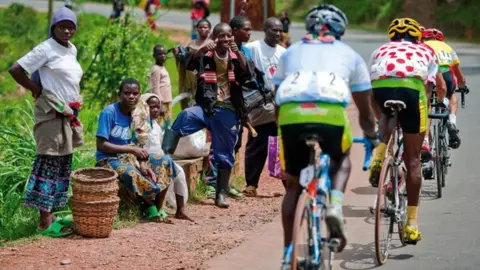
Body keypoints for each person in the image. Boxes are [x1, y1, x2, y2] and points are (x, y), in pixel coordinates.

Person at [273, 4, 378, 260]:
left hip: (290, 115)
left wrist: (285, 130)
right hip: (330, 113)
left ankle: (289, 255)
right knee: (341, 158)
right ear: (340, 30)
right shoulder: (350, 55)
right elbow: (365, 111)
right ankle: (335, 207)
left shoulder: (290, 52)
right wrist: (372, 136)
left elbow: (276, 99)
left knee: (294, 186)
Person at [368, 18, 444, 244]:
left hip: (382, 89)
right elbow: (429, 87)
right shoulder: (426, 50)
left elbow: (371, 82)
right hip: (412, 91)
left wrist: (380, 118)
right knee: (413, 160)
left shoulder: (380, 50)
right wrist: (423, 120)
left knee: (384, 116)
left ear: (392, 36)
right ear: (417, 36)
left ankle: (379, 155)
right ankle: (411, 224)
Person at [8, 7, 83, 237]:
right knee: (48, 162)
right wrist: (37, 90)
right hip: (51, 114)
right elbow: (16, 69)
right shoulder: (46, 48)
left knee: (62, 164)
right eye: (62, 26)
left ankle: (50, 218)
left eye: (71, 26)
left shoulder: (71, 49)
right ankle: (43, 223)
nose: (67, 30)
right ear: (54, 27)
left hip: (67, 113)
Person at [162, 23, 248, 209]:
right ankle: (163, 159)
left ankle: (220, 193)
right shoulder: (207, 55)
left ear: (232, 37)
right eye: (220, 36)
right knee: (184, 117)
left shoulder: (236, 56)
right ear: (214, 38)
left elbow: (247, 74)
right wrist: (200, 50)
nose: (225, 40)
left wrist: (239, 53)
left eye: (228, 36)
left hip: (227, 109)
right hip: (206, 106)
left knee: (224, 153)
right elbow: (190, 66)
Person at [96, 78, 178, 223]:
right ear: (120, 94)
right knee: (130, 173)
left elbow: (140, 143)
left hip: (132, 157)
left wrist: (143, 163)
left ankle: (158, 209)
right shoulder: (109, 113)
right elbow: (101, 145)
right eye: (127, 93)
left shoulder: (139, 114)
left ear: (140, 95)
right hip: (109, 159)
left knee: (165, 160)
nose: (131, 97)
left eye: (135, 93)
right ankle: (149, 207)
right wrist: (130, 149)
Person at [204, 15, 255, 199]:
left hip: (237, 104)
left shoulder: (245, 52)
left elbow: (249, 74)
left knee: (234, 144)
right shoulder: (214, 51)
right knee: (217, 144)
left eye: (250, 29)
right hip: (217, 104)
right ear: (233, 31)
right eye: (245, 29)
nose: (249, 33)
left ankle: (226, 184)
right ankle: (212, 183)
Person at [242, 17, 286, 197]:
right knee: (257, 144)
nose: (278, 33)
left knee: (283, 145)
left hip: (281, 104)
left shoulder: (284, 53)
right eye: (274, 30)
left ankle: (288, 184)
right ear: (265, 30)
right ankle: (251, 184)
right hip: (261, 105)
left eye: (280, 30)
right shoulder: (253, 48)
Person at [142, 93, 194, 222]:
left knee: (179, 172)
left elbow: (160, 146)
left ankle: (180, 210)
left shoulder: (157, 126)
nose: (155, 110)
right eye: (151, 107)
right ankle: (155, 208)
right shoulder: (141, 126)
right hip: (146, 160)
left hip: (161, 159)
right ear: (143, 107)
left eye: (157, 107)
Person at [423, 28, 468, 150]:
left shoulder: (422, 45)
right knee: (452, 95)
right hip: (445, 72)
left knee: (426, 103)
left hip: (428, 74)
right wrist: (463, 86)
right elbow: (460, 77)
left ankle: (425, 139)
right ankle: (452, 121)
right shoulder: (448, 47)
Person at [149, 44, 173, 127]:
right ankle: (160, 140)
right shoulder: (156, 69)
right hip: (162, 102)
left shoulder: (162, 67)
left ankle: (165, 139)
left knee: (167, 124)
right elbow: (155, 87)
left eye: (164, 54)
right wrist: (160, 104)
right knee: (161, 125)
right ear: (154, 56)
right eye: (160, 54)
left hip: (167, 101)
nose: (163, 56)